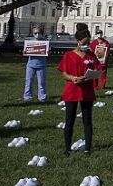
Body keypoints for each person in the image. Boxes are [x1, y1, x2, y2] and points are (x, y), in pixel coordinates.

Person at [56, 23, 100, 155]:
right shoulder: (69, 55)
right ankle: (67, 148)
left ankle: (87, 148)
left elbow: (96, 70)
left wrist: (89, 77)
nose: (87, 45)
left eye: (89, 42)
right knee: (69, 120)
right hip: (72, 90)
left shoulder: (91, 56)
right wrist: (73, 78)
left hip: (86, 90)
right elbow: (64, 72)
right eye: (85, 42)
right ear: (78, 41)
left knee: (87, 120)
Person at [22, 25, 48, 102]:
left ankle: (42, 97)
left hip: (41, 65)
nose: (37, 34)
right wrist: (25, 52)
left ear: (42, 33)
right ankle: (27, 97)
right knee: (28, 82)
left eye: (38, 32)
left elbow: (47, 51)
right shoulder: (30, 42)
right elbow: (26, 51)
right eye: (35, 33)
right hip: (30, 65)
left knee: (41, 83)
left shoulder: (45, 42)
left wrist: (47, 51)